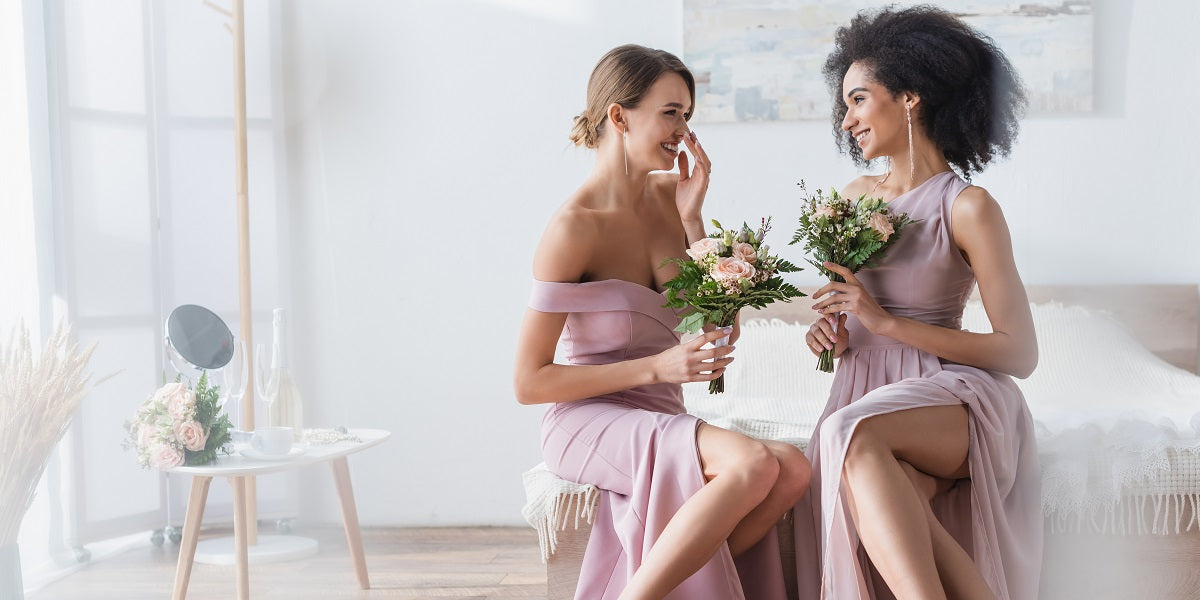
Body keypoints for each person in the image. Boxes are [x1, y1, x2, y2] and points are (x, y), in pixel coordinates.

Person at [513, 44, 810, 599]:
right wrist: (656, 367)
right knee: (749, 464)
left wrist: (694, 219)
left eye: (687, 115)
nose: (682, 129)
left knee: (791, 469)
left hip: (662, 413)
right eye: (670, 112)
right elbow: (529, 383)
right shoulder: (574, 228)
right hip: (589, 419)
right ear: (619, 116)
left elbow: (718, 332)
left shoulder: (674, 200)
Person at [798, 6, 1041, 600]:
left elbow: (1020, 352)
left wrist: (885, 321)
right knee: (876, 468)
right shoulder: (851, 199)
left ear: (909, 97)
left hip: (953, 398)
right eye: (845, 104)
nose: (847, 118)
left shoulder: (967, 206)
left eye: (859, 98)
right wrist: (834, 335)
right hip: (862, 388)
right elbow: (849, 318)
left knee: (849, 436)